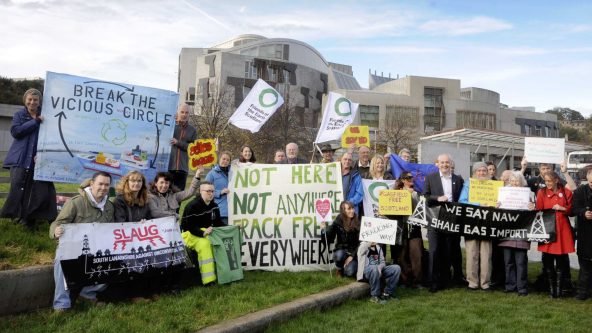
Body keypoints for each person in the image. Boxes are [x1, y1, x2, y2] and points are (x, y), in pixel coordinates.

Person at [49, 172, 114, 312]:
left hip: (98, 248)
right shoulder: (76, 202)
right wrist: (55, 231)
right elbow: (57, 223)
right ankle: (61, 304)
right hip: (74, 248)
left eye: (107, 185)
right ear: (92, 183)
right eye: (100, 184)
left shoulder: (109, 206)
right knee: (61, 260)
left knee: (117, 263)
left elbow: (113, 228)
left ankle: (87, 294)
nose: (103, 187)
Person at [1, 88, 57, 228]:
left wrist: (43, 153)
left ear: (39, 102)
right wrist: (35, 121)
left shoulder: (46, 116)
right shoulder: (19, 114)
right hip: (20, 158)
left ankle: (29, 219)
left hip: (37, 160)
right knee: (17, 188)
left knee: (33, 190)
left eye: (35, 100)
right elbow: (16, 132)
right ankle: (15, 217)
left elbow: (49, 137)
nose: (32, 102)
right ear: (25, 100)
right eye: (30, 99)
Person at [423, 153, 464, 292]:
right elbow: (426, 197)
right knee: (434, 251)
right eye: (442, 162)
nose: (445, 165)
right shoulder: (430, 178)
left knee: (448, 250)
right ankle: (433, 282)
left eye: (447, 162)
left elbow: (462, 200)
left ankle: (445, 280)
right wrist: (438, 198)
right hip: (434, 220)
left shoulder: (458, 180)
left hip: (451, 221)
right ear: (437, 164)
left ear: (451, 164)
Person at [536, 171, 575, 298]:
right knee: (547, 262)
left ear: (556, 180)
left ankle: (559, 290)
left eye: (550, 181)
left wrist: (562, 208)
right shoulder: (542, 193)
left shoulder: (566, 192)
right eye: (546, 181)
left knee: (561, 262)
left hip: (562, 230)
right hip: (547, 229)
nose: (547, 183)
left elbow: (572, 211)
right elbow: (539, 210)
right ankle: (551, 290)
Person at [181, 181, 225, 285]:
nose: (211, 193)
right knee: (205, 245)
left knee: (222, 242)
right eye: (208, 191)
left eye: (212, 191)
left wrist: (232, 228)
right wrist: (202, 233)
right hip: (189, 234)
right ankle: (208, 280)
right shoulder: (192, 206)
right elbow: (188, 226)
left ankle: (223, 273)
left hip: (207, 232)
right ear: (200, 192)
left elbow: (218, 223)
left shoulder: (214, 206)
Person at [498, 171, 534, 296]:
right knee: (508, 262)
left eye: (516, 181)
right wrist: (498, 206)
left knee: (521, 262)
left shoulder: (528, 194)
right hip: (507, 233)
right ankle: (510, 286)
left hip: (521, 233)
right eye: (512, 181)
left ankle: (522, 287)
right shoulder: (503, 194)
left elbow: (533, 213)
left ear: (521, 182)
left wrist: (532, 207)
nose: (514, 183)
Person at [460, 162, 494, 291]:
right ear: (474, 172)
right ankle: (472, 282)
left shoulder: (493, 186)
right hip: (471, 222)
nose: (481, 173)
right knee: (472, 253)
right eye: (479, 171)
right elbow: (462, 201)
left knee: (486, 254)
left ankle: (485, 283)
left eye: (484, 170)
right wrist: (479, 203)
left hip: (487, 223)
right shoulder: (468, 184)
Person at [394, 171, 423, 288]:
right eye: (408, 177)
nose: (411, 179)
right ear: (403, 180)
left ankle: (418, 280)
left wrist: (412, 195)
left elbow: (420, 209)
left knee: (416, 254)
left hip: (414, 227)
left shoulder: (417, 193)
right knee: (402, 254)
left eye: (412, 177)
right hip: (402, 226)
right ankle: (404, 280)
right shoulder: (396, 193)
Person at [320, 201, 360, 278]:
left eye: (352, 208)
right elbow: (329, 238)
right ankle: (339, 269)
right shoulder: (338, 221)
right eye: (349, 209)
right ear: (343, 211)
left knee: (349, 273)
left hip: (354, 253)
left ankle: (347, 268)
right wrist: (323, 230)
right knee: (339, 256)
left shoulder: (358, 222)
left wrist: (352, 256)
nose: (352, 211)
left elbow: (360, 243)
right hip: (342, 250)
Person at [572, 167, 592, 300]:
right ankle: (582, 292)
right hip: (585, 233)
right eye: (591, 183)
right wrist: (583, 213)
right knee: (584, 266)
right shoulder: (580, 191)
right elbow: (574, 208)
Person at [168, 104, 198, 190]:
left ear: (189, 114)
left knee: (179, 196)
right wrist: (171, 121)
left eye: (186, 112)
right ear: (177, 112)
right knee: (165, 195)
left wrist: (178, 143)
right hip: (168, 167)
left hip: (182, 169)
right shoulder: (170, 125)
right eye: (182, 112)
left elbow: (193, 149)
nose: (184, 114)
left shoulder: (192, 130)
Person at [205, 152, 231, 224]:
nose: (225, 161)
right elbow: (205, 190)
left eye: (227, 160)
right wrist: (220, 192)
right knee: (224, 233)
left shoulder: (233, 172)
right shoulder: (211, 174)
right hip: (221, 210)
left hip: (235, 211)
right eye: (223, 159)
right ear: (219, 159)